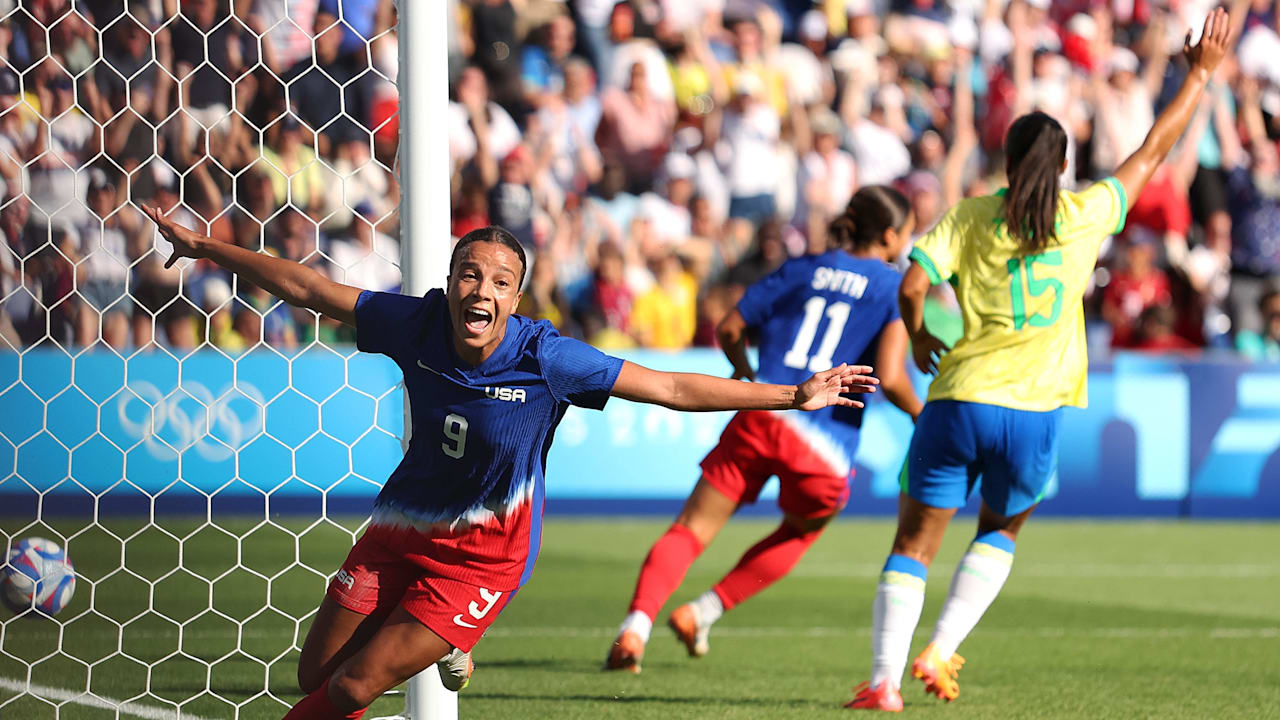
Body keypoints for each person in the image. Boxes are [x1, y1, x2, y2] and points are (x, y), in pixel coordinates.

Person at [138, 212, 879, 720]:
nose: (479, 291)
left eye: (497, 281)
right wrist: (210, 250)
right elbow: (308, 288)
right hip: (399, 533)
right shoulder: (417, 321)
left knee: (358, 683)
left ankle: (457, 633)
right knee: (319, 680)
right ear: (451, 281)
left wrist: (792, 394)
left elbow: (673, 387)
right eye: (469, 274)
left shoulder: (546, 357)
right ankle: (448, 649)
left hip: (480, 564)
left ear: (514, 297)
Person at [846, 10, 1232, 711]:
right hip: (1035, 409)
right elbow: (1152, 150)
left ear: (1004, 154)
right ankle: (942, 646)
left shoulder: (968, 216)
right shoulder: (1084, 215)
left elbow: (912, 282)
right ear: (1061, 166)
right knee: (999, 532)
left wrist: (920, 332)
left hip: (959, 396)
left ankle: (883, 683)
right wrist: (1199, 74)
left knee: (914, 542)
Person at [605, 186, 924, 673]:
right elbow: (893, 375)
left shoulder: (802, 267)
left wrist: (744, 374)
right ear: (889, 235)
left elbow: (730, 328)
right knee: (799, 533)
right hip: (827, 442)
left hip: (765, 411)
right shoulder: (891, 287)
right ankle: (702, 611)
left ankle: (635, 628)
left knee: (691, 530)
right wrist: (924, 416)